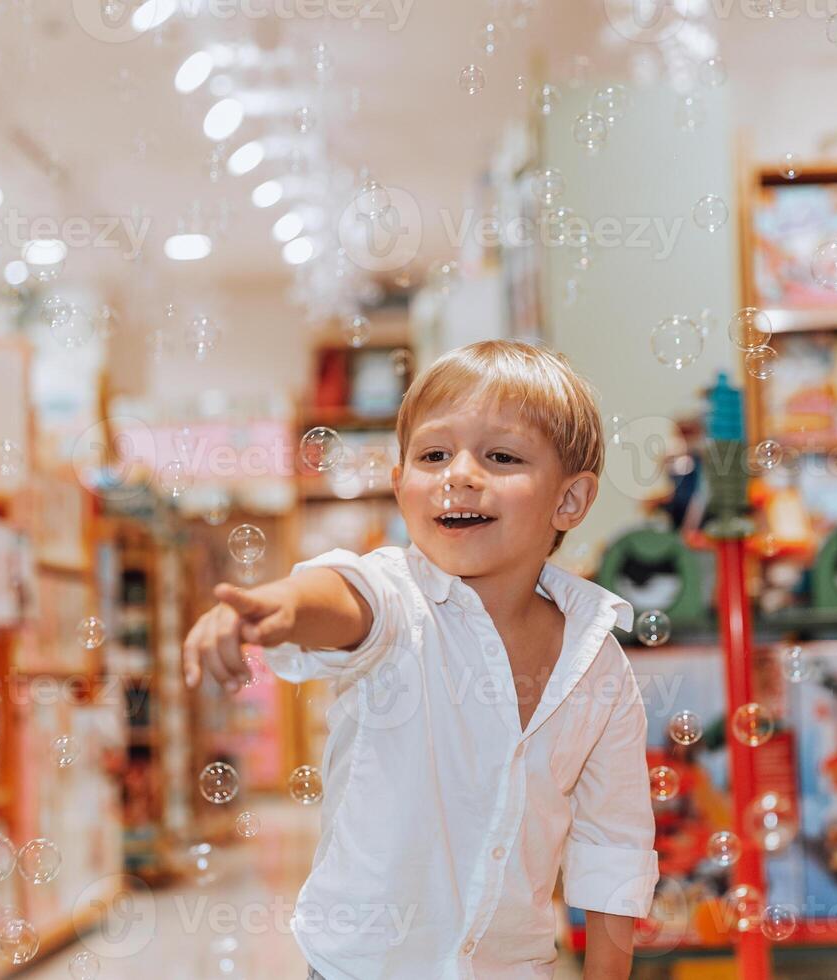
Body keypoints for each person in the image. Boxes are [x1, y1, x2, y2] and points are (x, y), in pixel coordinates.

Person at [184, 341, 657, 979]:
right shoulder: (398, 598)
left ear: (569, 501)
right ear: (400, 482)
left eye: (501, 456)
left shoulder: (596, 662)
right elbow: (343, 595)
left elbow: (613, 848)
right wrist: (277, 606)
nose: (459, 473)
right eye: (433, 454)